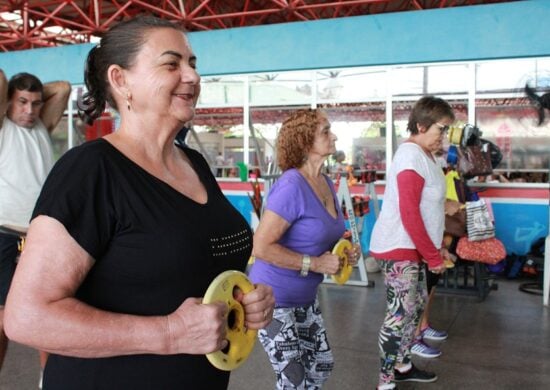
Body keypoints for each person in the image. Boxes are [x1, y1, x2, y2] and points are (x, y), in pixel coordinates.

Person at [4, 16, 274, 390]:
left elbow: (189, 269)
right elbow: (26, 317)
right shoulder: (91, 170)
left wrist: (244, 302)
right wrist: (167, 333)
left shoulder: (193, 162)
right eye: (171, 64)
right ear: (120, 80)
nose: (192, 77)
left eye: (192, 64)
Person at [249, 108, 361, 389]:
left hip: (305, 297)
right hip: (273, 299)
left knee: (321, 366)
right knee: (294, 378)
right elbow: (260, 246)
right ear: (304, 141)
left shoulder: (324, 182)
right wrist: (316, 264)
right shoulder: (291, 186)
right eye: (325, 131)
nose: (333, 136)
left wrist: (342, 253)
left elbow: (319, 235)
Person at [370, 96, 454, 390]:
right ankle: (385, 381)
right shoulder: (410, 156)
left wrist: (436, 248)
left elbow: (429, 208)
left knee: (416, 307)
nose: (444, 136)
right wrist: (432, 256)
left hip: (415, 248)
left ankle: (403, 366)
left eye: (446, 131)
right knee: (400, 314)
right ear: (421, 125)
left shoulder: (428, 157)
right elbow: (409, 213)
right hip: (398, 247)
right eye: (441, 129)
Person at [0, 69, 71, 382]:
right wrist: (9, 98)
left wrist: (31, 95)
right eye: (22, 102)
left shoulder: (43, 126)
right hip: (3, 233)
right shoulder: (2, 127)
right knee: (2, 321)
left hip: (39, 237)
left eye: (35, 103)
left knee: (49, 311)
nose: (29, 110)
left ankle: (48, 381)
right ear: (8, 102)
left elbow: (64, 87)